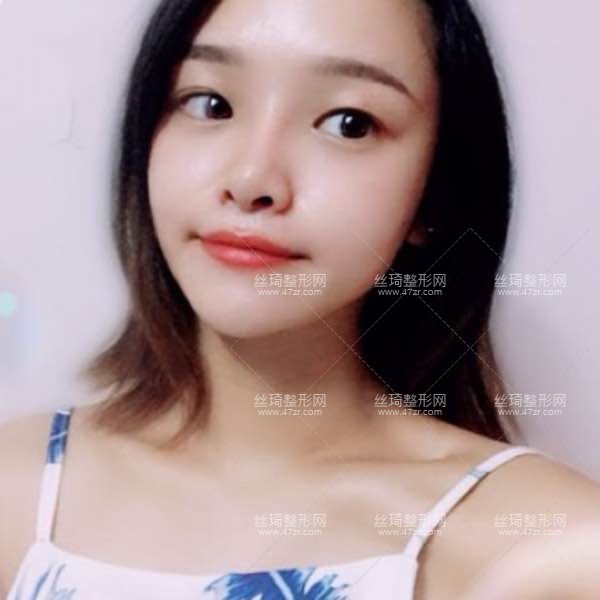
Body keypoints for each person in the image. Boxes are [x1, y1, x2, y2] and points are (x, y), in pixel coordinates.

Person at [1, 0, 599, 597]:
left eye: (349, 123)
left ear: (435, 193)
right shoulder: (16, 492)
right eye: (210, 104)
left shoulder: (548, 548)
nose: (252, 181)